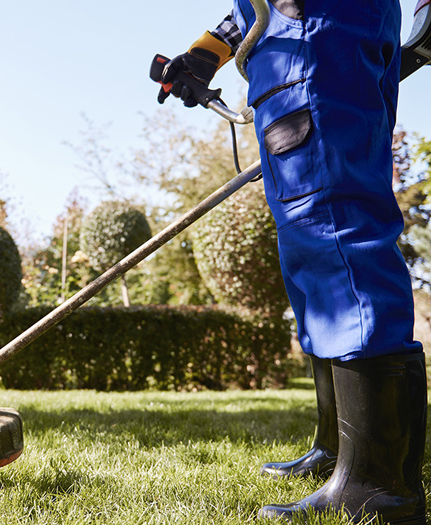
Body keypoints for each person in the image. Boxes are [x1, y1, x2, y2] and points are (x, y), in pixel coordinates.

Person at [157, 1, 428, 523]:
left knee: (333, 225)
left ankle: (378, 482)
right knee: (308, 246)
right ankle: (339, 449)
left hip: (318, 31)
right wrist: (207, 53)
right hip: (289, 42)